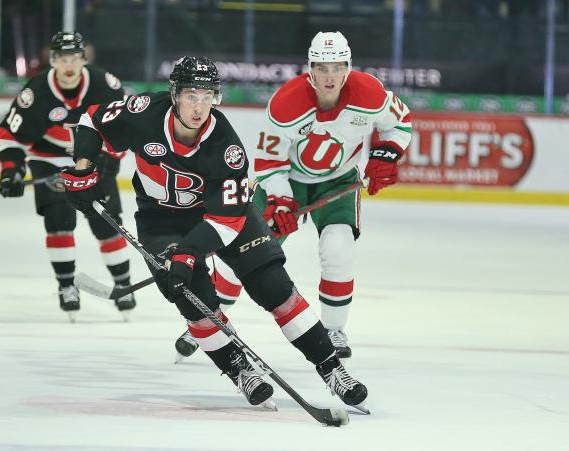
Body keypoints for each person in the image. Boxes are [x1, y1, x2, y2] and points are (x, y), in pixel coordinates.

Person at [60, 56, 368, 409]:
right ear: (174, 94)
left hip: (223, 219)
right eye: (192, 96)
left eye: (208, 97)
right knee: (193, 297)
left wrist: (187, 254)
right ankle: (238, 368)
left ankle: (331, 368)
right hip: (161, 221)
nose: (200, 107)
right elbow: (91, 120)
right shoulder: (143, 110)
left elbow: (226, 221)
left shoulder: (227, 148)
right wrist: (83, 167)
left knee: (273, 286)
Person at [184, 31, 412, 359]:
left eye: (337, 67)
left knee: (338, 248)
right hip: (287, 181)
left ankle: (333, 329)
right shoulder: (287, 102)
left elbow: (400, 121)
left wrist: (387, 154)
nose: (329, 76)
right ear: (310, 69)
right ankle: (210, 318)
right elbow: (268, 160)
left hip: (338, 181)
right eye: (322, 67)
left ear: (348, 67)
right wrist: (281, 200)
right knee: (243, 254)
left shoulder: (370, 93)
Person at [0, 31, 135, 319]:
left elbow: (126, 127)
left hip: (92, 158)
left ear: (84, 59)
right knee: (59, 221)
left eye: (74, 58)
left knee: (106, 223)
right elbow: (10, 134)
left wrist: (111, 157)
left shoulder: (104, 86)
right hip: (49, 159)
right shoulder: (36, 92)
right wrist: (11, 169)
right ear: (52, 61)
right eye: (62, 58)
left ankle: (124, 284)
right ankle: (66, 286)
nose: (68, 65)